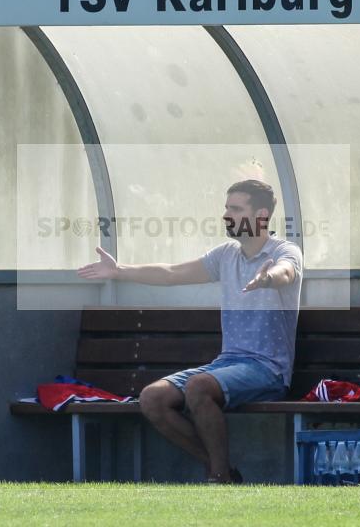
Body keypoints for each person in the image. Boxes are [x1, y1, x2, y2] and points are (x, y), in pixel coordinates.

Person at [77, 179, 303, 483]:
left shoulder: (284, 251)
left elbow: (286, 272)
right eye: (226, 208)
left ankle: (218, 476)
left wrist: (268, 278)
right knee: (152, 398)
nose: (227, 215)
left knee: (198, 387)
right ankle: (223, 470)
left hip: (267, 369)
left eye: (236, 209)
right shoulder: (226, 255)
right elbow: (172, 273)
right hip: (227, 364)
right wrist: (119, 271)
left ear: (261, 215)